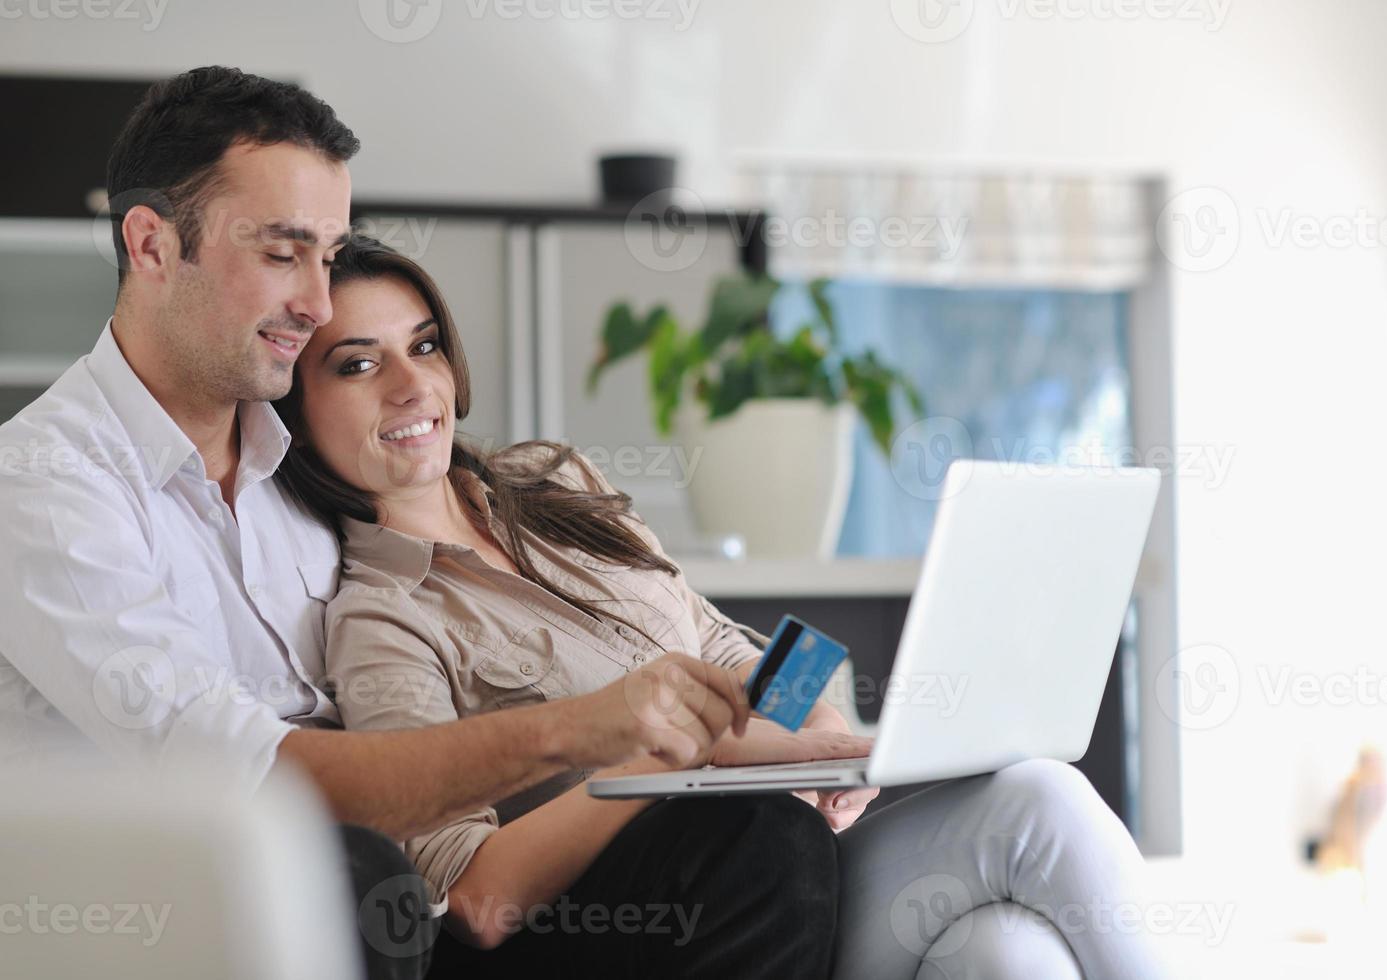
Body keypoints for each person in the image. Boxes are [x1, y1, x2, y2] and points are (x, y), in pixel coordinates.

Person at [0, 66, 838, 980]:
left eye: (327, 255)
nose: (316, 304)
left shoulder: (311, 465)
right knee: (364, 871)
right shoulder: (45, 488)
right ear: (152, 244)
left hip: (385, 893)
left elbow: (719, 642)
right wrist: (599, 735)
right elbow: (257, 778)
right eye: (283, 254)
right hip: (177, 901)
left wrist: (821, 734)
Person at [274, 235, 1173, 980]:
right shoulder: (381, 618)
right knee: (1040, 800)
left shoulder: (556, 482)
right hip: (699, 912)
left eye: (423, 345)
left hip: (806, 847)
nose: (408, 385)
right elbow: (470, 898)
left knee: (1007, 957)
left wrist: (817, 726)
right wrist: (662, 759)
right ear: (298, 412)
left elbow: (729, 642)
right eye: (357, 365)